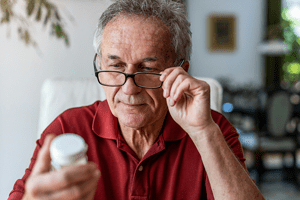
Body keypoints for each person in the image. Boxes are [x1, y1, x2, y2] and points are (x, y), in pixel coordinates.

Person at [9, 0, 265, 199]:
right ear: (100, 65)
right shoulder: (67, 128)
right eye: (116, 66)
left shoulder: (213, 130)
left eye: (148, 69)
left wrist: (203, 132)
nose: (128, 89)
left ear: (181, 72)